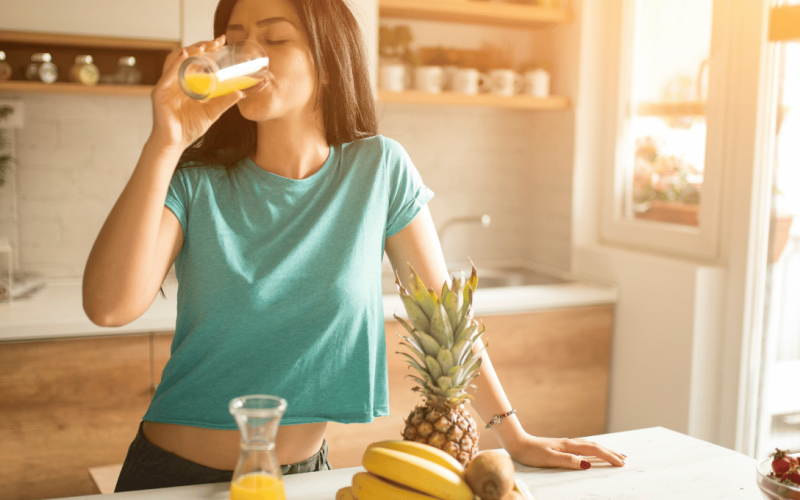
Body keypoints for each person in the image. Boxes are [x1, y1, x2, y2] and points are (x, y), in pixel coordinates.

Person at [82, 0, 626, 492]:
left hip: (305, 477)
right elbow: (109, 307)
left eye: (275, 39)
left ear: (327, 56)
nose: (250, 54)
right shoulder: (196, 179)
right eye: (237, 38)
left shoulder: (379, 168)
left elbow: (442, 321)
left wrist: (517, 438)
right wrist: (166, 141)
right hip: (173, 479)